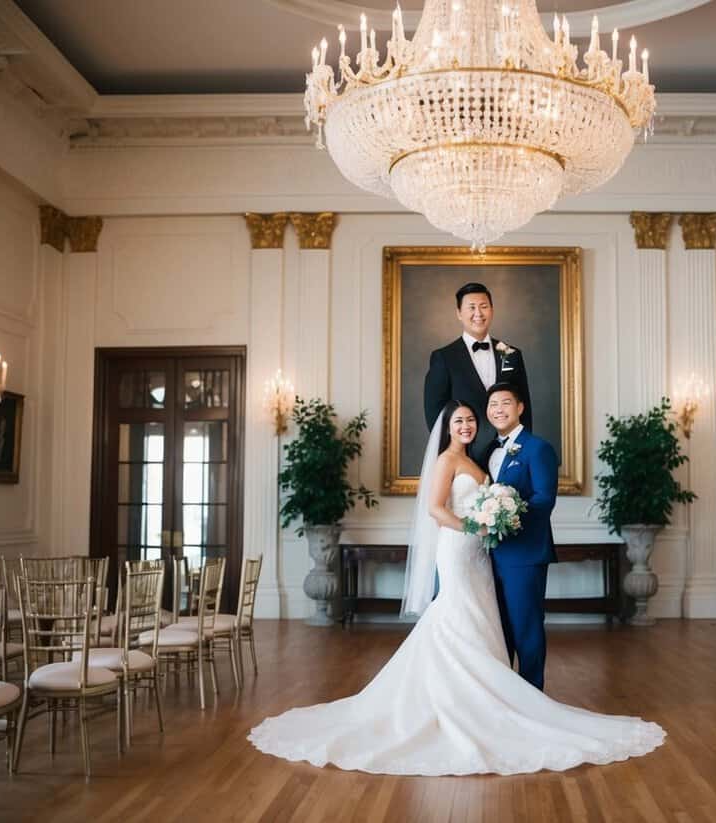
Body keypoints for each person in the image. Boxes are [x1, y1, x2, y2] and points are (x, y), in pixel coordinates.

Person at [248, 400, 665, 776]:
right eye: (459, 420)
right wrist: (475, 524)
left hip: (484, 552)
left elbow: (527, 499)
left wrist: (491, 521)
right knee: (458, 615)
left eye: (470, 419)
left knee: (490, 621)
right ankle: (461, 702)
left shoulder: (488, 456)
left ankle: (507, 701)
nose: (466, 425)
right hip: (461, 546)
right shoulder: (448, 460)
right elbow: (434, 508)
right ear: (447, 427)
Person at [481, 382, 556, 690]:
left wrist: (507, 517)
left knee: (526, 628)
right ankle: (506, 696)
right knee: (499, 631)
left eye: (505, 403)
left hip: (524, 554)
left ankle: (533, 695)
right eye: (493, 404)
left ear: (520, 407)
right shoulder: (487, 449)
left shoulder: (538, 448)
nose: (499, 409)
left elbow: (543, 499)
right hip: (489, 555)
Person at [423, 282, 532, 458]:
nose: (478, 314)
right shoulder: (443, 357)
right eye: (471, 307)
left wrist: (522, 451)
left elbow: (523, 406)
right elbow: (435, 415)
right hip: (465, 454)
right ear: (459, 313)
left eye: (484, 307)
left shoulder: (512, 354)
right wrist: (453, 453)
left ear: (492, 310)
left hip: (507, 452)